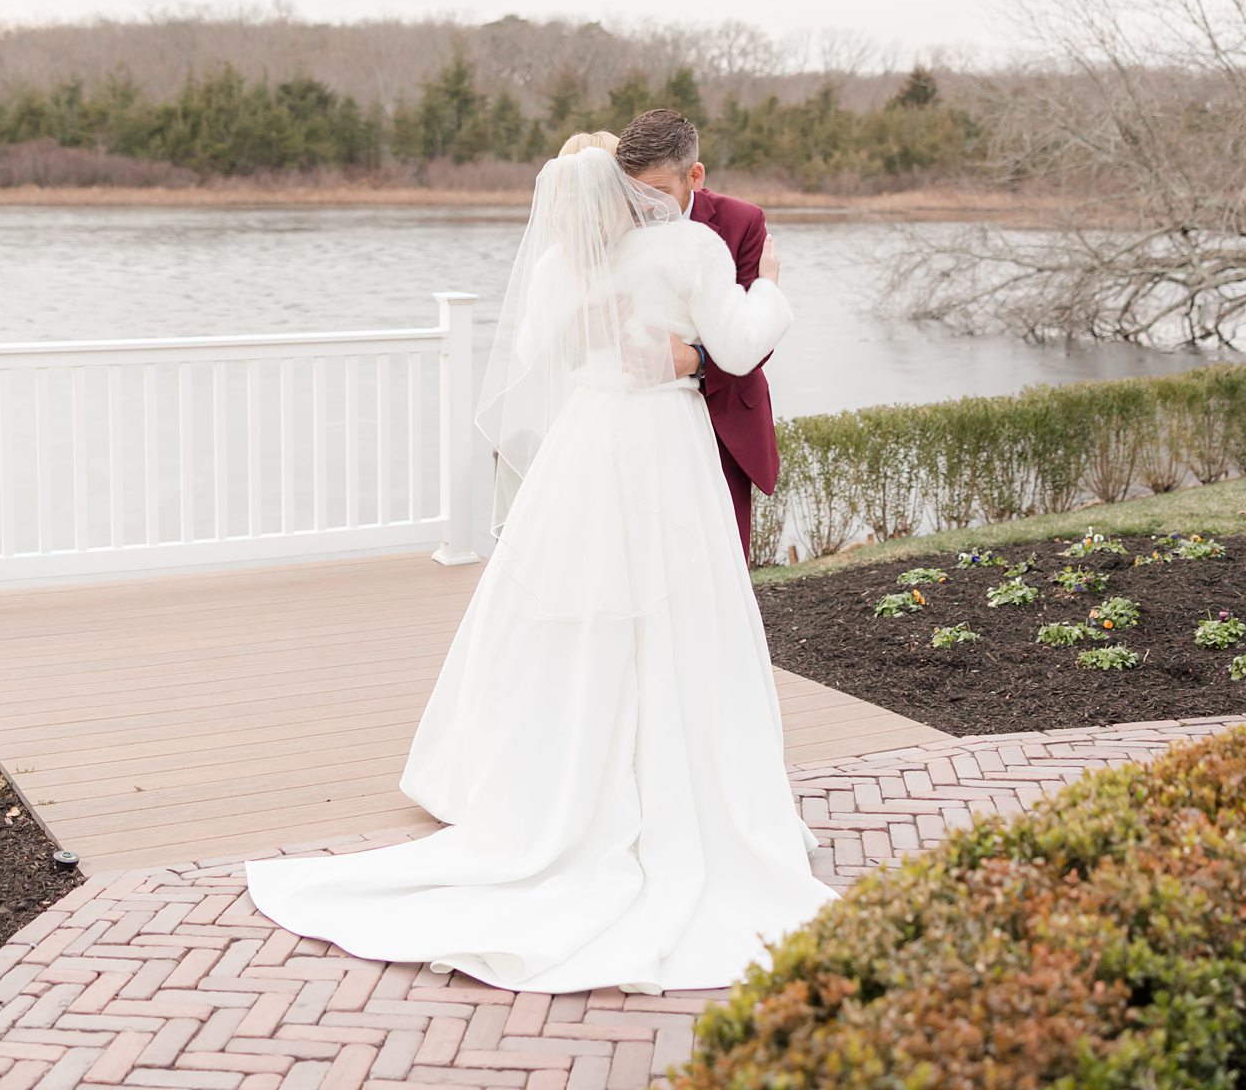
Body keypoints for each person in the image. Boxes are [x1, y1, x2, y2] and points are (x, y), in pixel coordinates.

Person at [242, 146, 833, 994]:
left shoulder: (558, 268)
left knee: (578, 617)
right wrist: (771, 285)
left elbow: (537, 354)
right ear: (640, 187)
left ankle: (560, 790)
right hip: (663, 449)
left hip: (585, 448)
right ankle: (686, 791)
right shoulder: (688, 251)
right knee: (680, 614)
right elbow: (738, 349)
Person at [615, 109, 776, 557]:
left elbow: (754, 333)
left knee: (722, 557)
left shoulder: (742, 222)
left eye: (659, 192)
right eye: (635, 193)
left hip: (720, 413)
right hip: (638, 415)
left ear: (695, 175)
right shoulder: (614, 220)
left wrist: (696, 360)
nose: (645, 206)